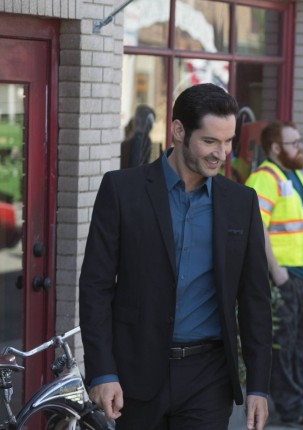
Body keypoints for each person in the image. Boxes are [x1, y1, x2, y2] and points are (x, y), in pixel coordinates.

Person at [79, 83, 273, 430]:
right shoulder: (122, 190)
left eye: (228, 141)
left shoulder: (241, 202)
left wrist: (259, 386)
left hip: (208, 377)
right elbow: (96, 286)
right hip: (135, 373)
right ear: (179, 131)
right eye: (210, 141)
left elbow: (255, 298)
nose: (221, 153)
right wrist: (102, 371)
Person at [244, 121, 303, 428]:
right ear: (276, 148)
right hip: (283, 279)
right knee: (284, 347)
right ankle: (292, 409)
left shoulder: (295, 176)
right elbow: (257, 227)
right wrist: (278, 274)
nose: (300, 146)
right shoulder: (265, 178)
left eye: (300, 141)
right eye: (294, 143)